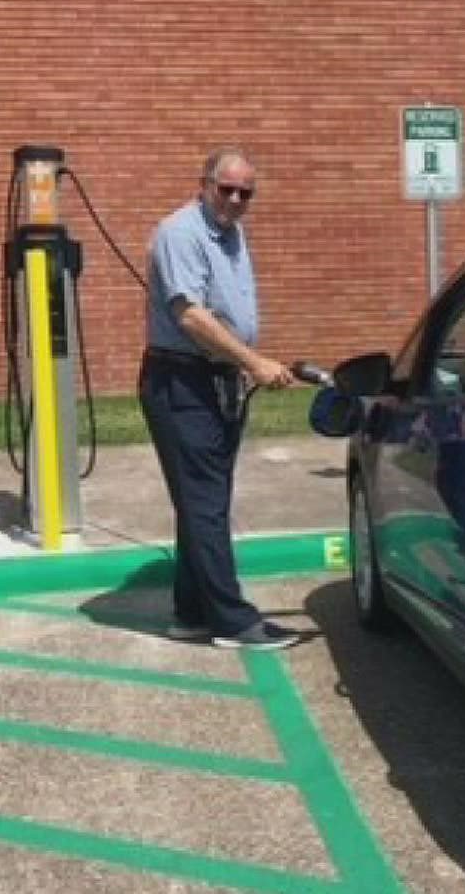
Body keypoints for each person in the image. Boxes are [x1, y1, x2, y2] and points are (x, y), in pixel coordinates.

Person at [140, 147, 306, 649]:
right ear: (205, 183)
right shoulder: (181, 233)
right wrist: (254, 362)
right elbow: (190, 314)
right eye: (226, 188)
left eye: (245, 193)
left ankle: (192, 611)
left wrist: (241, 365)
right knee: (207, 502)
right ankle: (233, 621)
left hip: (216, 381)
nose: (235, 200)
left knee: (202, 502)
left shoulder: (232, 235)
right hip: (181, 382)